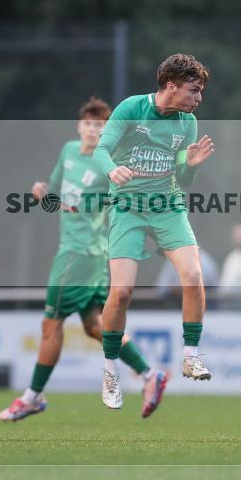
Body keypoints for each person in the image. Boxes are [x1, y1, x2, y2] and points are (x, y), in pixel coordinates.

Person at [0, 97, 167, 421]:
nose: (92, 130)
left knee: (50, 324)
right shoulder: (68, 151)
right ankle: (150, 374)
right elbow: (56, 197)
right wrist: (42, 194)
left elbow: (119, 201)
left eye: (100, 126)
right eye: (88, 124)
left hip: (79, 255)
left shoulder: (109, 165)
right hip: (85, 257)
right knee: (95, 326)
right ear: (79, 126)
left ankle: (32, 397)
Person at [93, 53, 216, 409]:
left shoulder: (187, 123)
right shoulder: (131, 109)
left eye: (200, 91)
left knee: (193, 275)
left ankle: (191, 355)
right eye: (194, 90)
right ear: (171, 86)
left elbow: (183, 178)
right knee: (122, 292)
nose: (198, 98)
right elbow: (101, 150)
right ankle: (110, 370)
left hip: (167, 206)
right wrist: (111, 170)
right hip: (127, 208)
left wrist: (191, 166)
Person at [155, 246, 220, 304]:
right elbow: (161, 287)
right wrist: (172, 289)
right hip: (175, 303)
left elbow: (212, 289)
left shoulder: (206, 261)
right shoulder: (173, 259)